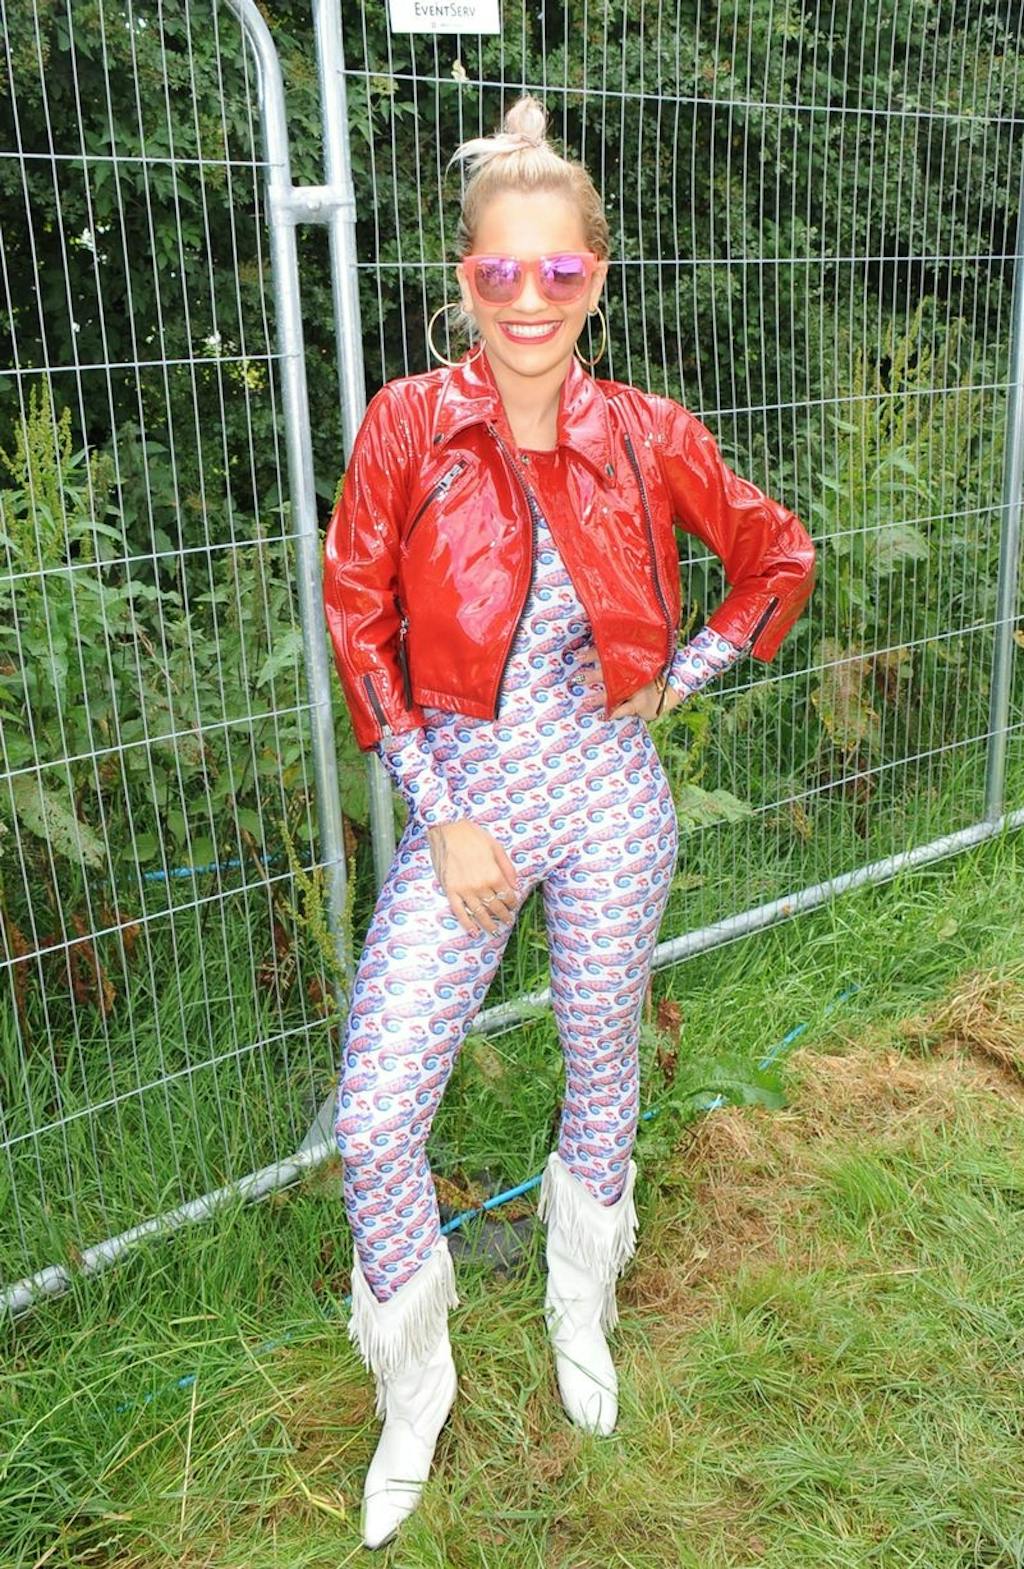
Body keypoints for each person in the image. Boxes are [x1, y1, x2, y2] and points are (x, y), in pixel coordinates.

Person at [322, 92, 816, 1551]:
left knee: (602, 1058)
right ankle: (415, 1388)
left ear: (596, 276)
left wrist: (683, 674)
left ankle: (577, 1308)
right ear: (462, 278)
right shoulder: (409, 426)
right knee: (375, 1117)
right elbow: (359, 624)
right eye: (499, 269)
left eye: (557, 269)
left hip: (610, 801)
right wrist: (441, 816)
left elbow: (778, 556)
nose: (527, 298)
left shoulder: (648, 435)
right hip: (467, 807)